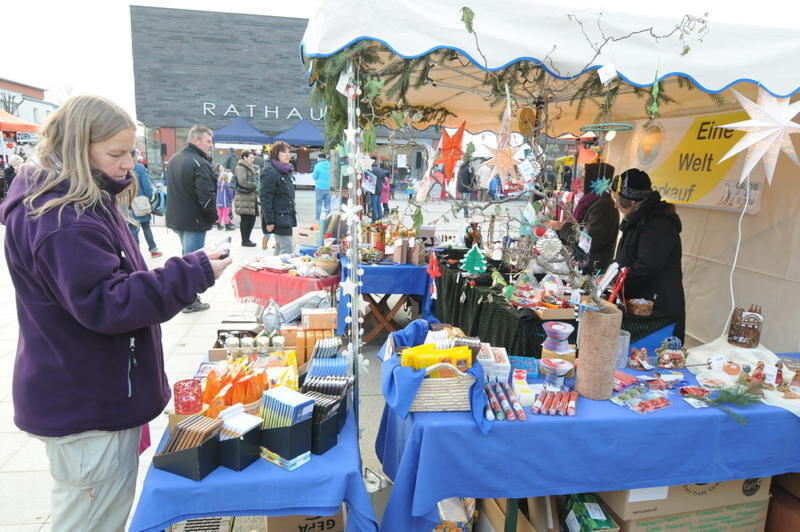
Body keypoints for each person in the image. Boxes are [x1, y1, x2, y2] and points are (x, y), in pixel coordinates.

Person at [0, 95, 231, 532]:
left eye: (130, 152)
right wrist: (192, 272)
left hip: (85, 387)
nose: (129, 164)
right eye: (116, 154)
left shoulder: (75, 201)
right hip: (87, 399)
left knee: (94, 510)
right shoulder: (66, 219)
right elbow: (109, 303)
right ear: (77, 147)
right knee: (92, 518)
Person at [612, 168, 685, 341]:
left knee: (650, 357)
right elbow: (625, 258)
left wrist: (616, 280)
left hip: (657, 308)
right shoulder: (637, 220)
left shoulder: (658, 225)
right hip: (641, 302)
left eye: (617, 200)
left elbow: (645, 268)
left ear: (632, 202)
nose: (615, 205)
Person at [165, 125, 217, 312]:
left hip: (178, 218)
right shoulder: (199, 163)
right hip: (193, 220)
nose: (211, 145)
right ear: (195, 140)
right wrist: (213, 216)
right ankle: (189, 300)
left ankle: (186, 296)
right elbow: (206, 195)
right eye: (208, 141)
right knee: (192, 262)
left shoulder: (175, 159)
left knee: (187, 258)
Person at [549, 162, 619, 274]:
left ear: (594, 179)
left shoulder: (604, 206)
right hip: (585, 264)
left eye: (584, 178)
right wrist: (564, 226)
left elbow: (590, 240)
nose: (580, 181)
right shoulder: (590, 201)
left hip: (592, 269)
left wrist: (565, 227)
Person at [260, 141, 297, 255]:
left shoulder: (285, 170)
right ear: (276, 153)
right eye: (284, 152)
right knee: (287, 249)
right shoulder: (270, 171)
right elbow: (265, 198)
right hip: (278, 218)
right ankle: (279, 271)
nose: (287, 155)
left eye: (289, 152)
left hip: (287, 216)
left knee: (280, 249)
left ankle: (273, 270)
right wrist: (269, 221)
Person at [129, 155, 163, 258]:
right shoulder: (139, 167)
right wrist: (147, 198)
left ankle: (136, 253)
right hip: (140, 202)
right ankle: (153, 250)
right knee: (146, 226)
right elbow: (147, 186)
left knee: (132, 228)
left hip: (126, 202)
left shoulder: (121, 166)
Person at [234, 150, 258, 246]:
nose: (253, 160)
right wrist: (254, 185)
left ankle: (247, 239)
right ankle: (245, 240)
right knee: (246, 219)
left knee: (251, 219)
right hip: (244, 197)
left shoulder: (249, 167)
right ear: (244, 157)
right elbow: (242, 181)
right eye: (251, 158)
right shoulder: (241, 167)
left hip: (250, 197)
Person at [312, 153, 331, 220]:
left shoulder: (317, 165)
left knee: (319, 205)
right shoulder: (330, 164)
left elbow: (314, 177)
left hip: (320, 187)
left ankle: (318, 219)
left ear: (318, 158)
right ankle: (328, 219)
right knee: (328, 205)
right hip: (329, 187)